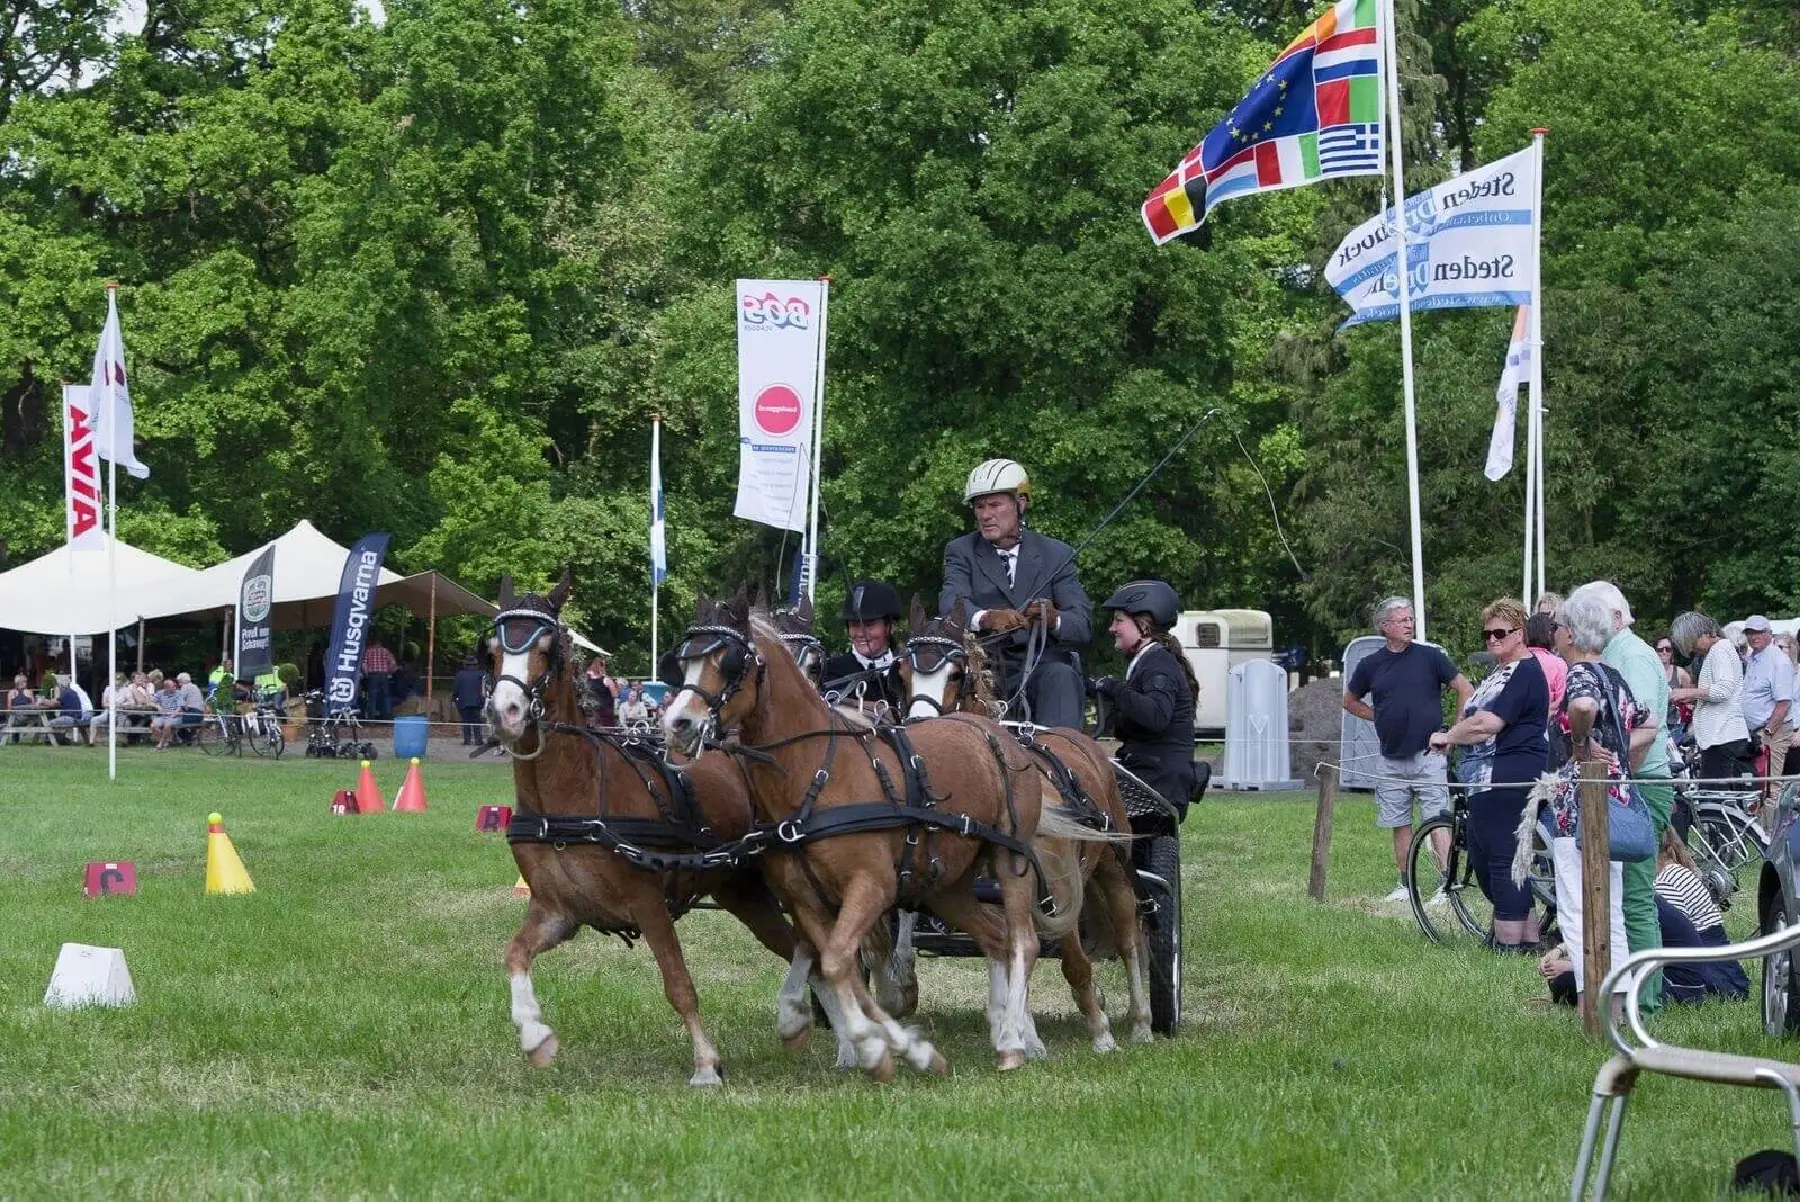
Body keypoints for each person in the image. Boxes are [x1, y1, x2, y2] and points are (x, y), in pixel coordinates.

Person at [1540, 589, 1647, 1003]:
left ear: (1572, 633)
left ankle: (1592, 1007)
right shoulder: (1614, 676)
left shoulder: (1580, 673)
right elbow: (1649, 724)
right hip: (1613, 797)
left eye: (1558, 627)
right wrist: (1619, 757)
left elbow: (1582, 705)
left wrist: (1582, 741)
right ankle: (1614, 1007)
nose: (1555, 634)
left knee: (1577, 909)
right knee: (1609, 909)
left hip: (1579, 806)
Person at [1573, 580, 1675, 1012]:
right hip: (1621, 785)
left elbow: (1644, 730)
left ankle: (1645, 1001)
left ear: (1615, 617)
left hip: (1638, 786)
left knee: (1634, 897)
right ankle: (1619, 993)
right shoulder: (1614, 655)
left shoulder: (1631, 655)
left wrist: (1613, 772)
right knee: (1615, 895)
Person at [1428, 598, 1548, 953]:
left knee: (1502, 856)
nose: (1493, 640)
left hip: (1510, 773)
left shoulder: (1525, 671)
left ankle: (1507, 946)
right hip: (1482, 777)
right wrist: (1456, 736)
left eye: (1500, 633)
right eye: (1487, 634)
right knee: (1491, 855)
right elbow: (1474, 717)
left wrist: (1448, 736)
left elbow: (1489, 723)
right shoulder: (1501, 671)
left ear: (1520, 633)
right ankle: (1526, 940)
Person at [939, 458, 1090, 730]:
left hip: (1043, 669)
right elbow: (951, 603)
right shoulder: (960, 550)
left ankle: (1065, 761)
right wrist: (986, 618)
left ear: (1020, 504)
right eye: (979, 506)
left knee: (1062, 676)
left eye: (995, 505)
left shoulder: (1057, 554)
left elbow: (1082, 625)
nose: (985, 515)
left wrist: (1052, 618)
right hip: (985, 668)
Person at [1343, 596, 1472, 903]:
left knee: (1437, 818)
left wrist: (1453, 733)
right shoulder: (1370, 664)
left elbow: (1465, 688)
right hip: (1390, 758)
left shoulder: (1431, 657)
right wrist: (1379, 715)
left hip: (1429, 756)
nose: (1409, 624)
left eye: (1411, 619)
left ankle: (1447, 883)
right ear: (1384, 626)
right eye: (1402, 620)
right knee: (1398, 822)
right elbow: (1349, 701)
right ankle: (1405, 883)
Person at [1093, 579, 1200, 814]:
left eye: (1119, 620)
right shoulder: (1146, 661)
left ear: (1144, 625)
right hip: (1150, 773)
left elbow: (1155, 715)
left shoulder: (1158, 664)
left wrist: (1115, 689)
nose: (1112, 628)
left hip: (1160, 781)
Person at [1654, 828, 1749, 1004]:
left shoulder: (1665, 882)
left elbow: (1671, 937)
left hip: (1710, 973)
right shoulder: (1679, 871)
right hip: (1726, 971)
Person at [1669, 611, 1752, 784]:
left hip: (1722, 736)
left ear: (1699, 634)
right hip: (1720, 737)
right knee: (1716, 794)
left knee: (1713, 797)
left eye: (1690, 642)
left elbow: (1723, 690)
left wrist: (1688, 692)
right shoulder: (1716, 651)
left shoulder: (1720, 650)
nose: (1691, 648)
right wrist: (1696, 698)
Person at [821, 579, 909, 718]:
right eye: (854, 625)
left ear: (889, 626)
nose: (860, 633)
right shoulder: (830, 672)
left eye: (869, 625)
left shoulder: (905, 673)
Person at [1741, 615, 1795, 805]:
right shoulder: (1752, 658)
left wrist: (1768, 731)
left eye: (1759, 632)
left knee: (1770, 787)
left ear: (1769, 634)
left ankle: (1771, 833)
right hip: (1754, 732)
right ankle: (1758, 828)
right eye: (1750, 632)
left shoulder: (1778, 661)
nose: (1754, 636)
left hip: (1773, 731)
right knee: (1756, 784)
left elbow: (1784, 703)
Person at [1655, 634, 1694, 746]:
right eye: (1660, 649)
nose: (1664, 652)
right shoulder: (1649, 672)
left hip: (1676, 726)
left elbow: (1691, 699)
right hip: (1656, 724)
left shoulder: (1681, 673)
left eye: (1668, 649)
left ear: (1672, 652)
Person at [453, 654, 489, 744]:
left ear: (465, 664)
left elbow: (456, 688)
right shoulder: (481, 674)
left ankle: (467, 740)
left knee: (465, 721)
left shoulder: (460, 674)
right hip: (477, 701)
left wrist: (454, 697)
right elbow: (486, 687)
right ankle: (478, 740)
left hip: (463, 701)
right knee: (477, 721)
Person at [362, 639, 397, 722]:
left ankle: (371, 718)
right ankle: (387, 716)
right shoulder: (386, 651)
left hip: (373, 675)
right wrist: (389, 671)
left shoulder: (368, 651)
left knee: (372, 697)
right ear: (380, 643)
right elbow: (393, 663)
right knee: (386, 696)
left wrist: (367, 674)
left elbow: (363, 664)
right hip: (384, 675)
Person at [580, 655, 616, 727]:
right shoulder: (586, 678)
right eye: (595, 664)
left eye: (599, 664)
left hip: (603, 709)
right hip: (589, 709)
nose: (596, 666)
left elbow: (614, 695)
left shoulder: (606, 679)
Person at [150, 677, 184, 750]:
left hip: (175, 716)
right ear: (166, 688)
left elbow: (180, 707)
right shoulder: (160, 693)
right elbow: (150, 702)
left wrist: (173, 715)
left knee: (167, 725)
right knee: (153, 726)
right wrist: (157, 706)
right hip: (163, 716)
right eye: (173, 686)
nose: (175, 687)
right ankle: (165, 742)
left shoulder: (179, 693)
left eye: (175, 686)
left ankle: (160, 745)